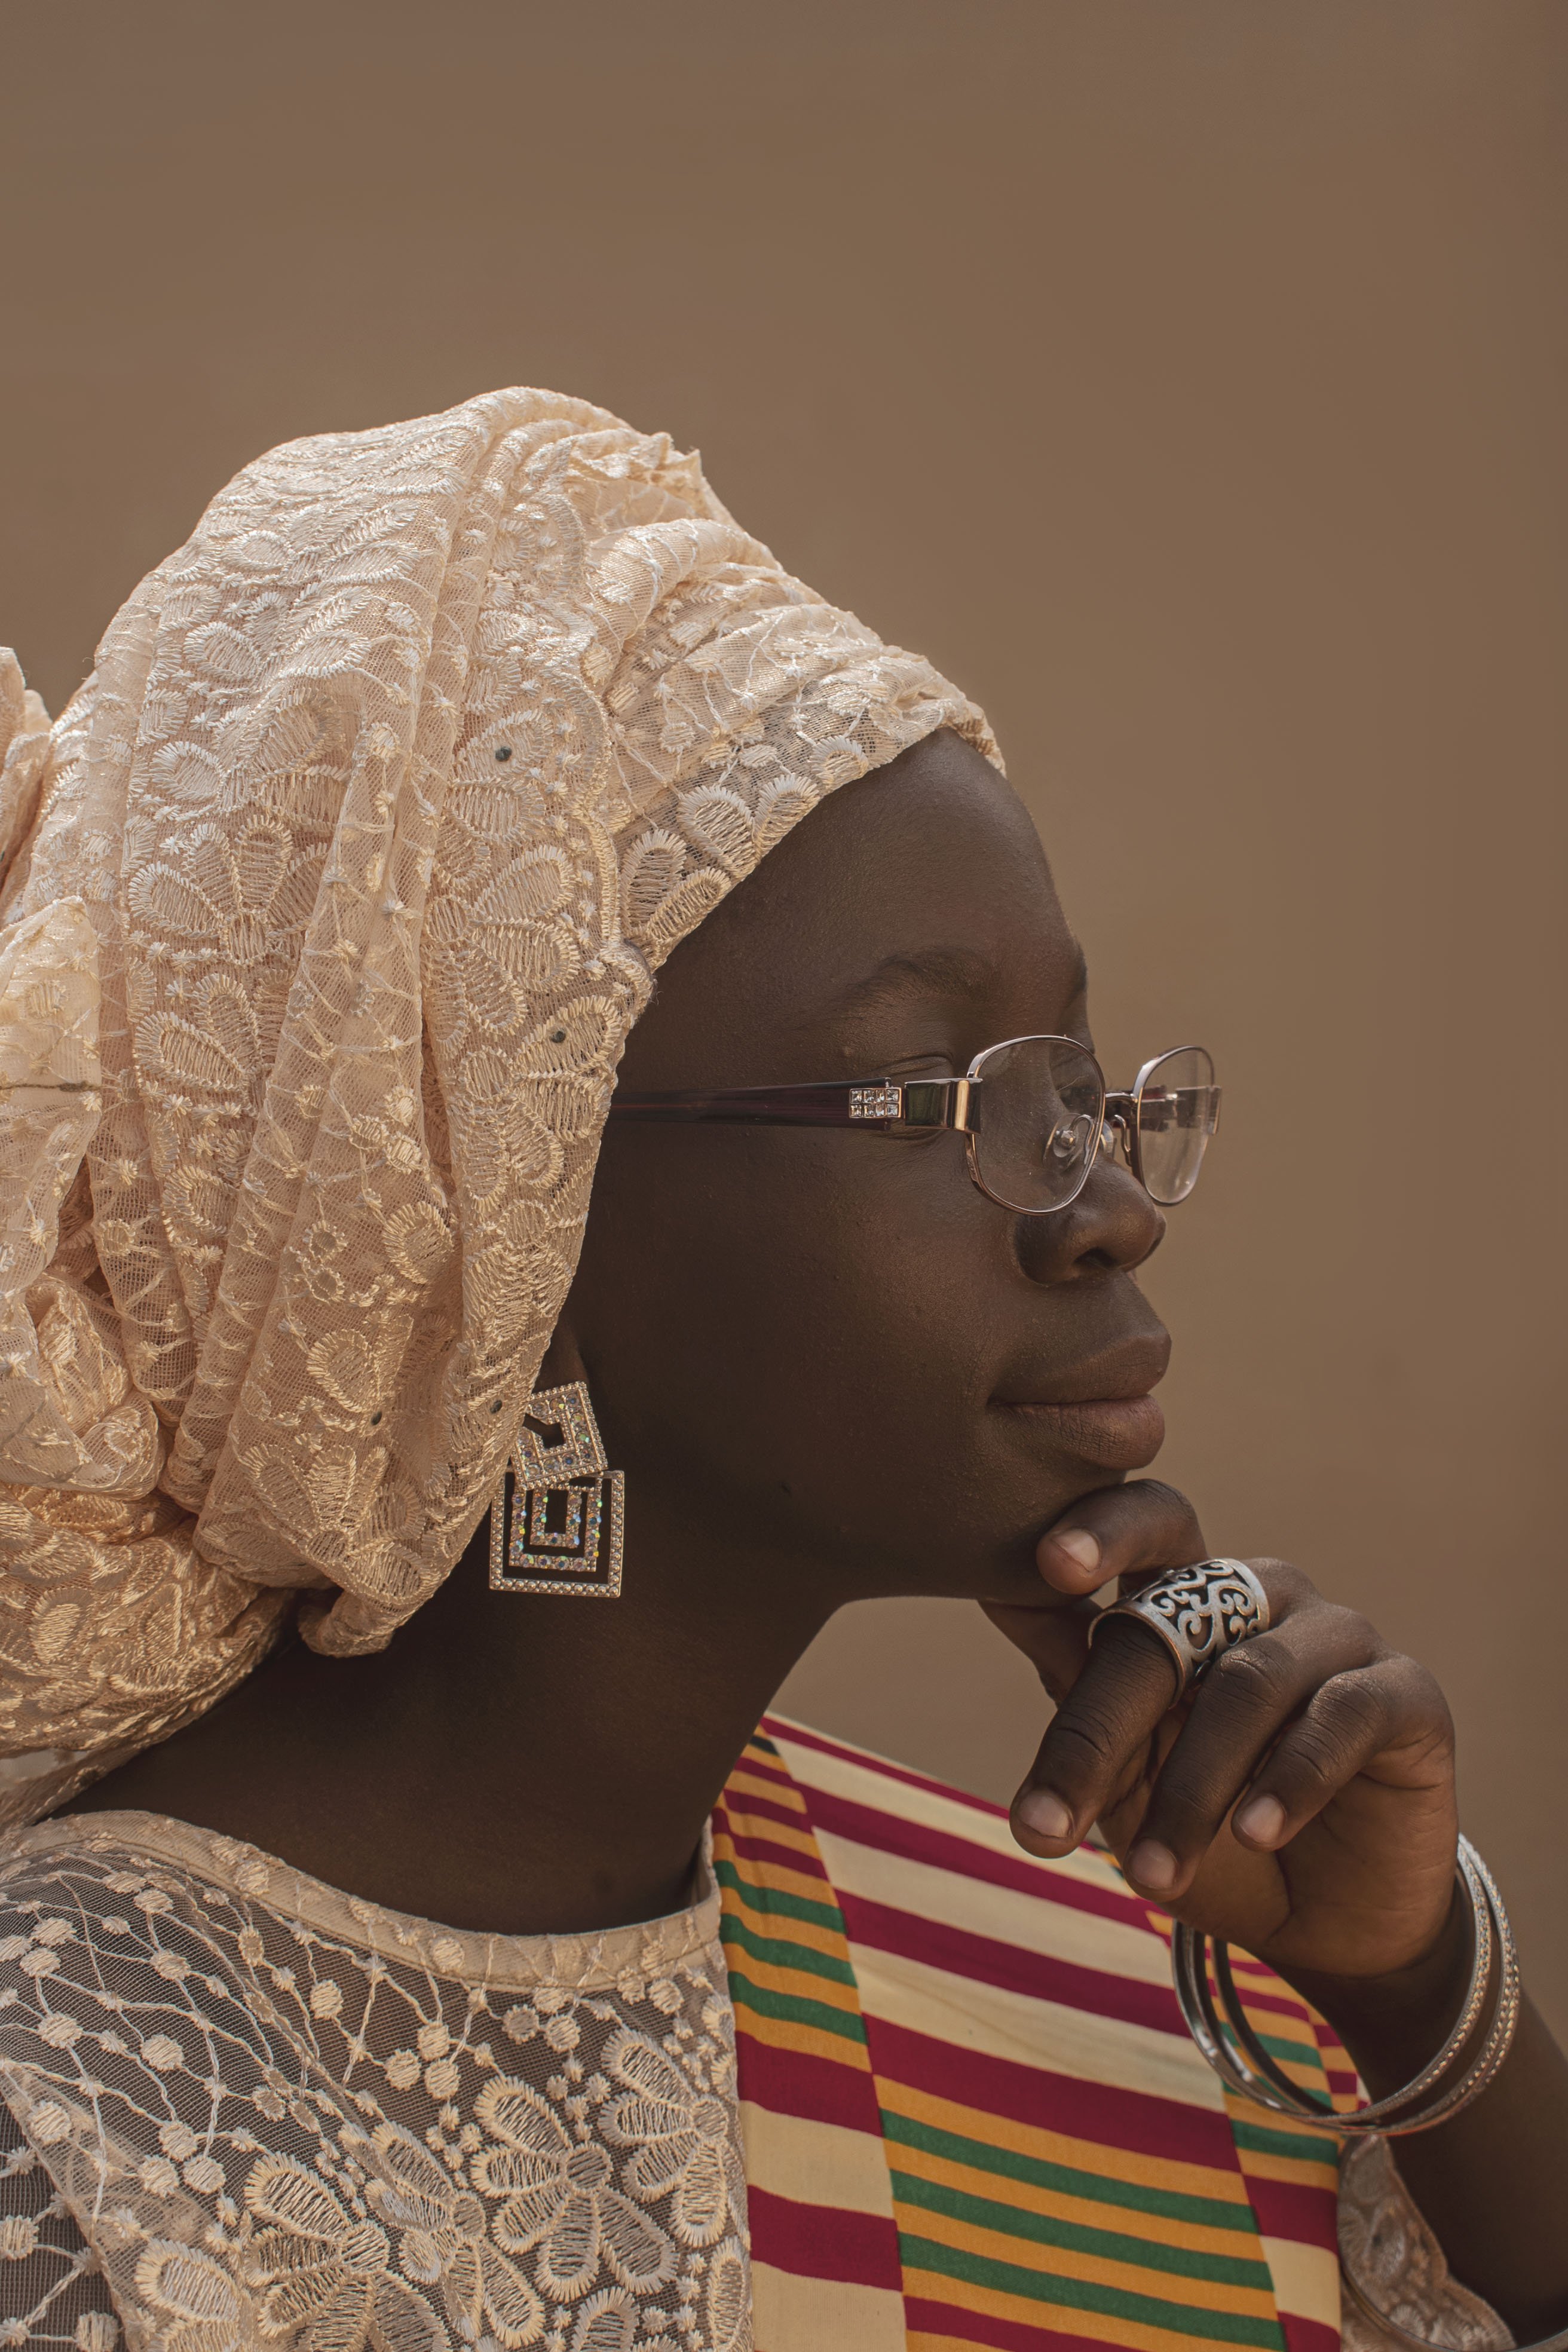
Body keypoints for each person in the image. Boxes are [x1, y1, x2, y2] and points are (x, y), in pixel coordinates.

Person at [0, 388, 1559, 2352]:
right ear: (498, 1219)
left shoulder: (1077, 1956)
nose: (1106, 1211)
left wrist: (1424, 1990)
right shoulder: (72, 2131)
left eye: (1080, 1087)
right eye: (955, 1095)